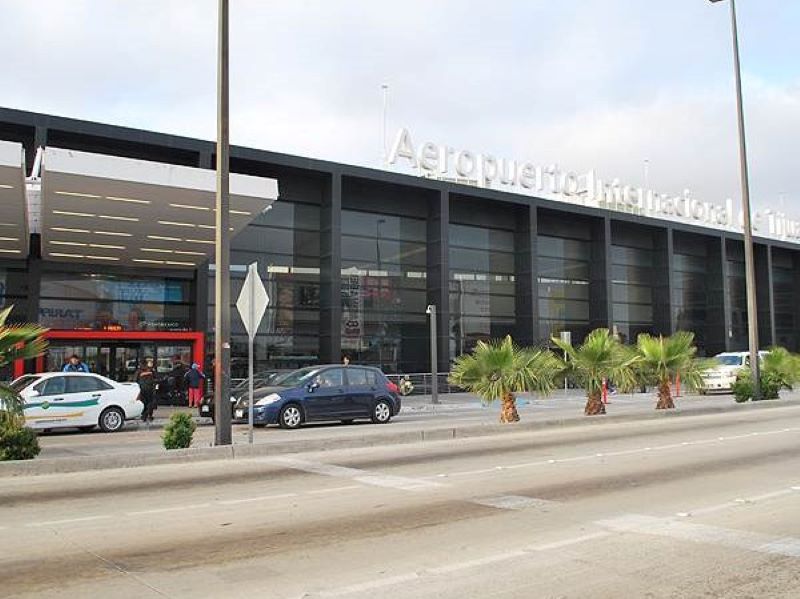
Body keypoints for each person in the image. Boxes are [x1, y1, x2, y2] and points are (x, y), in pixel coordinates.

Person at [136, 358, 158, 423]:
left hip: (142, 389)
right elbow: (155, 379)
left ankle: (144, 416)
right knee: (150, 402)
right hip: (150, 389)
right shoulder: (151, 370)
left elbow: (136, 380)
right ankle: (149, 415)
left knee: (144, 402)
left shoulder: (139, 371)